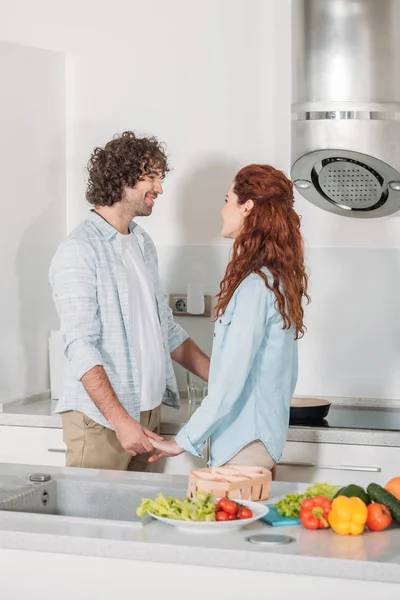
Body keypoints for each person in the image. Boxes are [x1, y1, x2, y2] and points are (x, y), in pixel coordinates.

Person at [49, 131, 210, 471]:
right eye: (151, 177)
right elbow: (80, 346)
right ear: (122, 178)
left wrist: (223, 377)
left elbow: (164, 330)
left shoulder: (142, 243)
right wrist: (120, 420)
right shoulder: (80, 249)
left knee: (143, 524)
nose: (160, 189)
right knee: (93, 524)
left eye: (159, 177)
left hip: (148, 415)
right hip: (101, 421)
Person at [149, 164, 310, 470]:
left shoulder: (255, 287)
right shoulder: (275, 281)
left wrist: (182, 441)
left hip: (243, 445)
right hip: (258, 441)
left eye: (226, 200)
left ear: (247, 207)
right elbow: (284, 377)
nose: (223, 211)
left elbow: (229, 382)